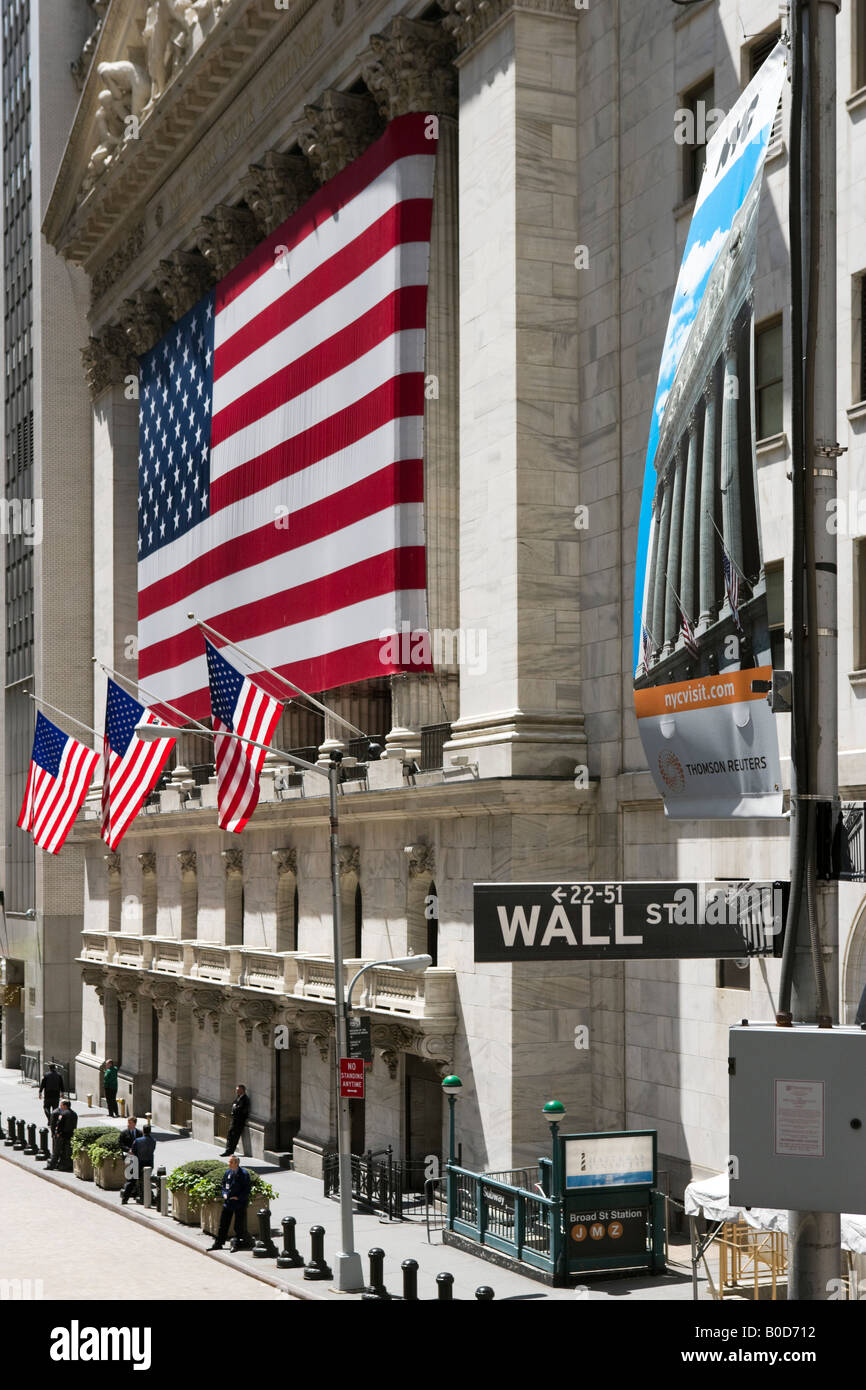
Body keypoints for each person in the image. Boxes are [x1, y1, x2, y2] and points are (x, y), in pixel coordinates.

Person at [208, 1155, 252, 1250]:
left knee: (238, 1225)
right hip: (228, 1202)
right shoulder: (228, 1172)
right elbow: (224, 1185)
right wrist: (224, 1194)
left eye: (231, 1162)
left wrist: (238, 1197)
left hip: (239, 1203)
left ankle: (237, 1244)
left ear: (236, 1163)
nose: (229, 1164)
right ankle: (219, 1243)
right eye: (229, 1162)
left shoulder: (244, 1174)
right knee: (223, 1224)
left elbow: (247, 1189)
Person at [121, 1125, 156, 1205]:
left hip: (138, 1163)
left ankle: (125, 1199)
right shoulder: (153, 1140)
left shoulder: (137, 1140)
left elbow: (133, 1151)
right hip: (149, 1163)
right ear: (150, 1131)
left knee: (131, 1181)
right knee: (146, 1181)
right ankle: (150, 1198)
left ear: (143, 1131)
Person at [219, 1085, 250, 1157]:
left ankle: (230, 1151)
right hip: (234, 1119)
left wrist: (235, 1108)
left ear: (242, 1090)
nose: (236, 1091)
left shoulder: (245, 1099)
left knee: (235, 1136)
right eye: (236, 1090)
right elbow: (234, 1105)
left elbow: (241, 1109)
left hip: (239, 1121)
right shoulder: (238, 1097)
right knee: (230, 1135)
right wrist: (234, 1108)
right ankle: (228, 1150)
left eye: (238, 1090)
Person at [52, 1099, 78, 1171]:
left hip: (62, 1135)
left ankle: (52, 1165)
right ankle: (68, 1165)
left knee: (57, 1151)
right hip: (71, 1135)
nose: (60, 1106)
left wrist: (57, 1133)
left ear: (65, 1106)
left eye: (61, 1105)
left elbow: (59, 1124)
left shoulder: (63, 1114)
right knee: (68, 1152)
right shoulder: (74, 1114)